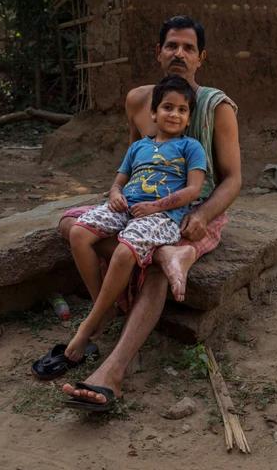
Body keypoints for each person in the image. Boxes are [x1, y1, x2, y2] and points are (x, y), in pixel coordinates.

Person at [60, 15, 241, 411]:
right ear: (158, 52)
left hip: (190, 209)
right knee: (71, 224)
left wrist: (202, 216)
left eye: (188, 48)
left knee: (155, 268)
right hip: (141, 205)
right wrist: (116, 195)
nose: (179, 53)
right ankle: (107, 315)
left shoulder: (215, 106)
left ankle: (114, 371)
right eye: (172, 45)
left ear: (201, 58)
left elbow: (232, 179)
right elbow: (137, 160)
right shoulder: (138, 100)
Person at [64, 76, 206, 363]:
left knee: (124, 250)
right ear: (153, 113)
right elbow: (118, 182)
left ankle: (89, 324)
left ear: (189, 117)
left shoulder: (190, 147)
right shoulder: (139, 147)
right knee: (78, 233)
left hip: (161, 216)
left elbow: (194, 189)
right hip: (125, 207)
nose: (174, 114)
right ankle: (103, 307)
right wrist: (116, 193)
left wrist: (156, 206)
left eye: (182, 110)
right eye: (168, 107)